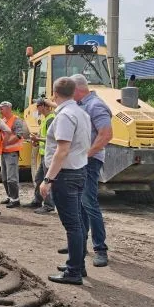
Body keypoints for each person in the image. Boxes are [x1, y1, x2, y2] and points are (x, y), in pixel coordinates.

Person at [40, 77, 91, 285]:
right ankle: (78, 264)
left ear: (54, 93)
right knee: (77, 221)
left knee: (72, 225)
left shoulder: (65, 116)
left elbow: (62, 150)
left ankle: (73, 271)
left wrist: (47, 179)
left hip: (66, 174)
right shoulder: (81, 112)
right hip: (79, 170)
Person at [71, 74, 113, 267]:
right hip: (81, 161)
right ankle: (81, 245)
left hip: (90, 162)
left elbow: (106, 134)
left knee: (89, 203)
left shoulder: (95, 105)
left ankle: (100, 249)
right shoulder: (81, 105)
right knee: (80, 204)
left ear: (77, 90)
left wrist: (86, 154)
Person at [27, 98, 56, 214]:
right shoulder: (45, 119)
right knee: (39, 178)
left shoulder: (51, 119)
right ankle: (37, 200)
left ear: (43, 106)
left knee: (46, 180)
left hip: (49, 156)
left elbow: (53, 139)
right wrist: (37, 140)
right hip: (44, 155)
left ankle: (49, 205)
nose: (36, 109)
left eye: (37, 106)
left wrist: (38, 139)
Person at [0, 101, 26, 208]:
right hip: (4, 152)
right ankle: (10, 197)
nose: (0, 110)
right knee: (4, 178)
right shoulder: (3, 120)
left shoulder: (16, 120)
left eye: (2, 108)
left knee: (11, 178)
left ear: (8, 108)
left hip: (12, 153)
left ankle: (15, 199)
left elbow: (19, 135)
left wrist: (7, 142)